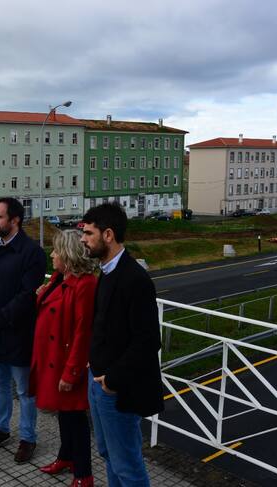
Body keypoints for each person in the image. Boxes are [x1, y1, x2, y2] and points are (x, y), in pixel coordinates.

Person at [80, 202, 164, 487]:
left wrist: (112, 380)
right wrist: (93, 359)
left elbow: (148, 340)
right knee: (108, 454)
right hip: (98, 380)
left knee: (127, 465)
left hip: (117, 389)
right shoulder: (106, 271)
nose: (83, 239)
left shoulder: (134, 279)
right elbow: (106, 326)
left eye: (88, 233)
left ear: (108, 235)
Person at [0, 197, 46, 463]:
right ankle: (1, 429)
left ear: (15, 220)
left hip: (17, 334)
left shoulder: (32, 252)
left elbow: (27, 295)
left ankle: (28, 438)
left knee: (24, 391)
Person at [30, 229, 97, 487]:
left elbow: (83, 333)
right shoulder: (60, 278)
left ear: (68, 254)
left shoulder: (85, 284)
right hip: (53, 358)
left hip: (68, 362)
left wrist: (71, 373)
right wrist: (41, 294)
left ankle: (84, 475)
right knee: (64, 414)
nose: (52, 255)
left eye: (57, 250)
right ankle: (66, 457)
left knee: (75, 418)